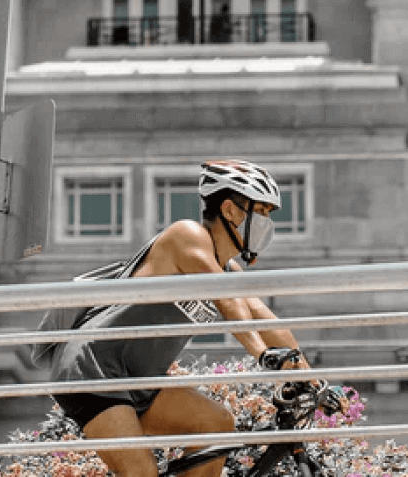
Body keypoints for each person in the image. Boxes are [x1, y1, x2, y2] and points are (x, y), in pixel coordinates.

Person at [50, 159, 309, 477]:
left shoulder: (228, 270)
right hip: (94, 368)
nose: (267, 222)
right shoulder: (187, 236)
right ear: (230, 210)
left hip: (140, 379)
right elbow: (226, 298)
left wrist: (313, 380)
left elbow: (267, 322)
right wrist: (263, 354)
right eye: (262, 211)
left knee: (216, 425)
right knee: (140, 473)